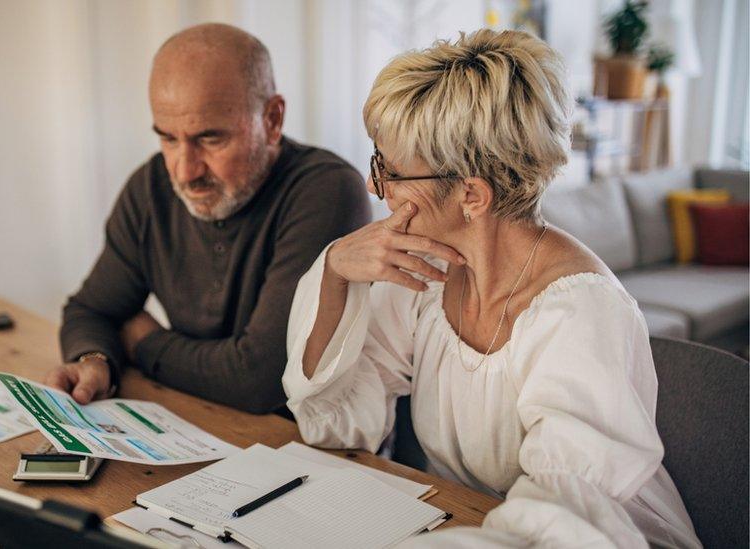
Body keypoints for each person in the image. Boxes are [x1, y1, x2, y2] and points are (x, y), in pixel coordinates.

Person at [283, 29, 699, 547]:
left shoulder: (581, 313)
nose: (374, 187)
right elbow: (336, 427)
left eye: (389, 170)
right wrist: (335, 272)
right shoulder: (424, 274)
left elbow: (564, 519)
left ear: (472, 195)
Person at [47, 23, 370, 414]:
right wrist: (95, 359)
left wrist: (142, 342)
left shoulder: (327, 191)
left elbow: (261, 380)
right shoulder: (151, 186)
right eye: (168, 138)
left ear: (272, 120)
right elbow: (92, 310)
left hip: (310, 448)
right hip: (200, 425)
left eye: (210, 139)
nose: (184, 172)